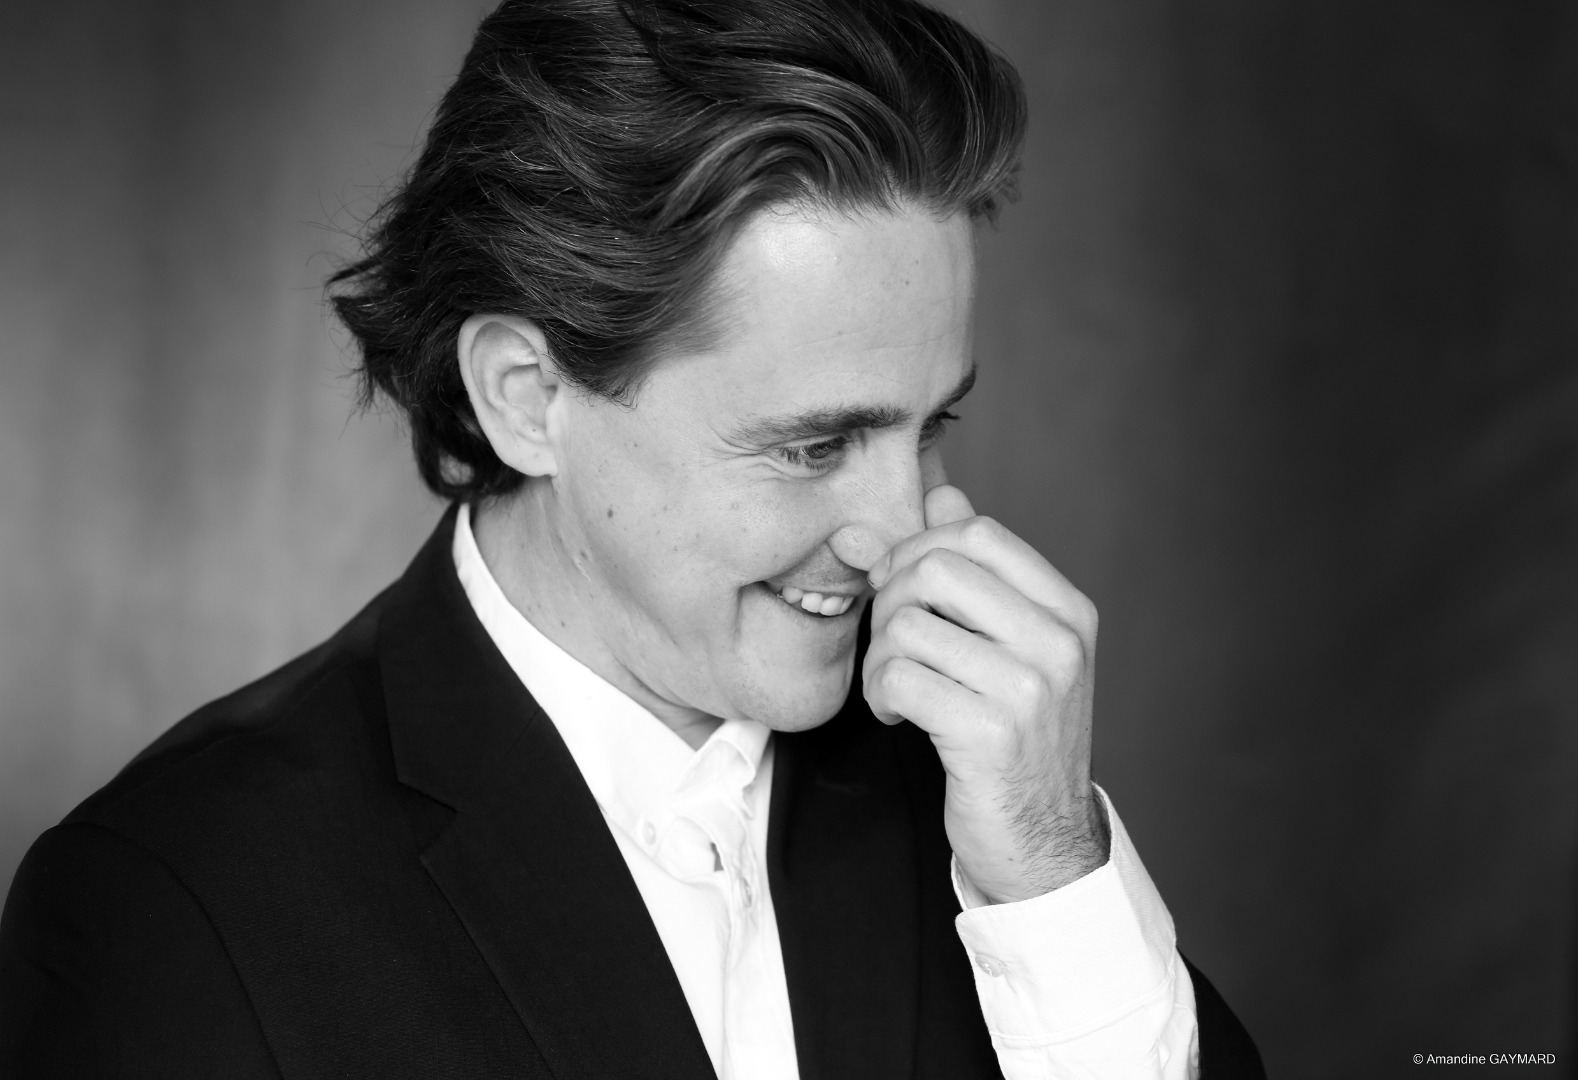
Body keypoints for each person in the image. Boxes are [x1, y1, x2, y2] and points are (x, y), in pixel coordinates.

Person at [0, 0, 1263, 1076]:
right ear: (526, 397)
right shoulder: (173, 900)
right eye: (812, 445)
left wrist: (1051, 873)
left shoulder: (982, 789)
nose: (903, 537)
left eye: (931, 427)